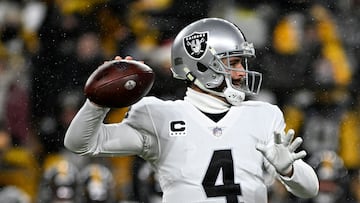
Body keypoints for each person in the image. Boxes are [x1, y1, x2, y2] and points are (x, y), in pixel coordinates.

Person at [64, 18, 319, 203]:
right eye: (233, 63)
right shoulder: (159, 115)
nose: (242, 72)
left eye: (242, 62)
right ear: (202, 67)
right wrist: (97, 103)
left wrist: (289, 171)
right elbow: (81, 144)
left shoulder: (263, 115)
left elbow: (310, 189)